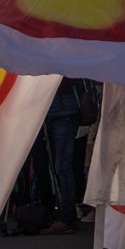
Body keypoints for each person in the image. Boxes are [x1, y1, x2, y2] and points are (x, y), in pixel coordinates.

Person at [40, 77, 85, 235]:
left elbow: (67, 84)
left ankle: (68, 217)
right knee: (59, 168)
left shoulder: (65, 57)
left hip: (65, 115)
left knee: (62, 168)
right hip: (56, 115)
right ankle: (67, 215)